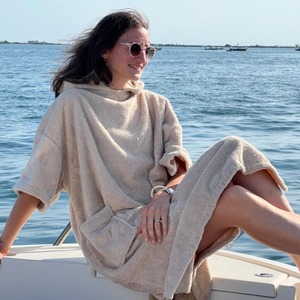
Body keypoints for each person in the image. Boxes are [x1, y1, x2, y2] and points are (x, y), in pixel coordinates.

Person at [1, 9, 300, 300]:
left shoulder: (157, 106)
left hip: (164, 214)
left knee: (236, 148)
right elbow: (37, 181)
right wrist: (3, 244)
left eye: (148, 50)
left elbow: (179, 172)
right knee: (235, 199)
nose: (142, 58)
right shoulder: (72, 105)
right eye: (134, 48)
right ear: (105, 50)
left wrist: (162, 196)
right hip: (120, 240)